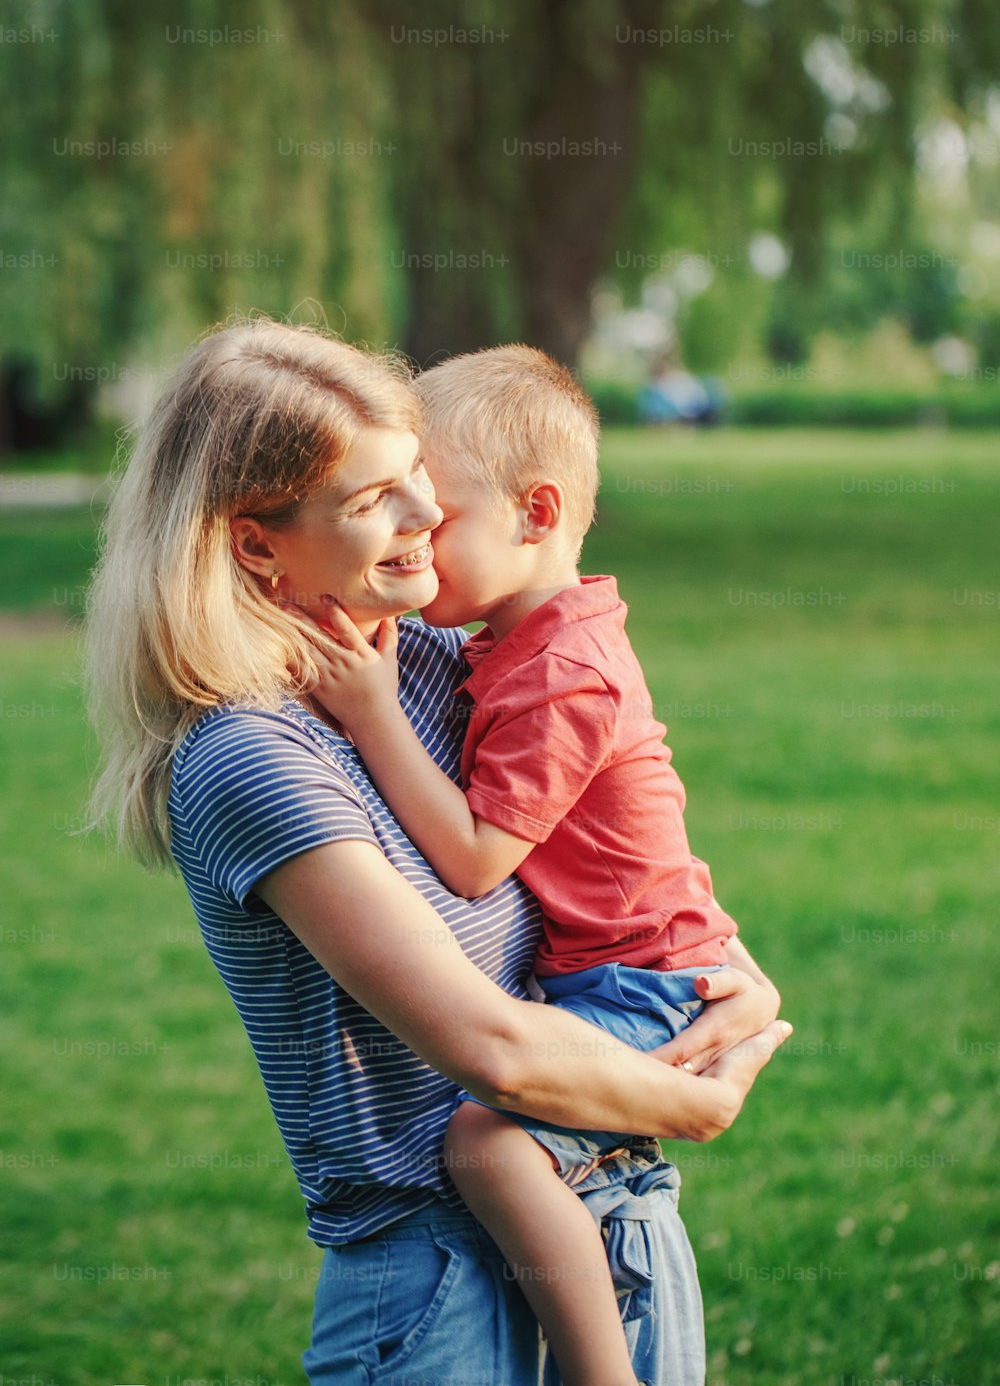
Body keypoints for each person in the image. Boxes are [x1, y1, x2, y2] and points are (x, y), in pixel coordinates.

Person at [84, 318, 789, 1386]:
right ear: (255, 542)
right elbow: (492, 1050)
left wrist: (724, 970)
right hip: (438, 1281)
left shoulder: (424, 655)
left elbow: (607, 835)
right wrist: (699, 1093)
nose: (427, 518)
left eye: (418, 475)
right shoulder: (247, 756)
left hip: (613, 1208)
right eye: (375, 501)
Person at [307, 344, 766, 1385]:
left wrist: (373, 713)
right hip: (615, 966)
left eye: (438, 513)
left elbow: (474, 860)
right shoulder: (512, 638)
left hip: (642, 977)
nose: (415, 531)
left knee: (488, 1146)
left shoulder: (564, 671)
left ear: (537, 512)